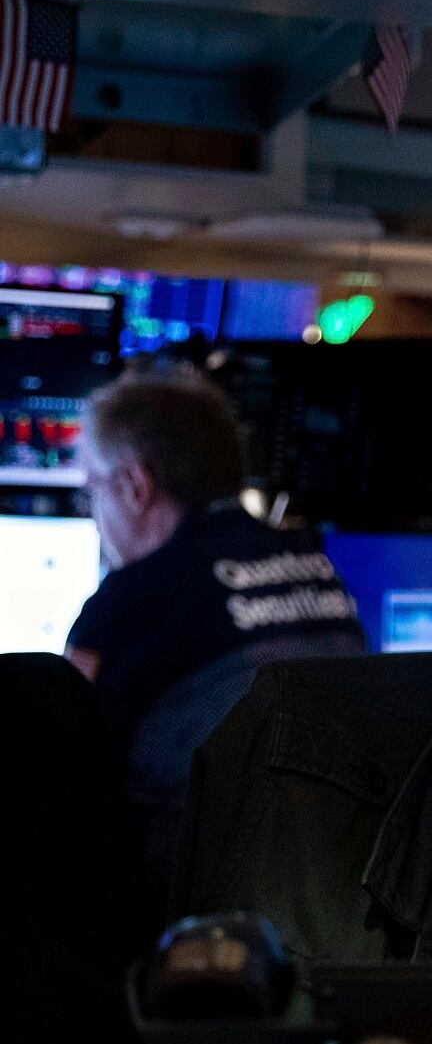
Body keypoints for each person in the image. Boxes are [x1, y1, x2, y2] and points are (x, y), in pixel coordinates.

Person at [65, 363, 366, 880]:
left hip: (186, 898)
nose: (92, 512)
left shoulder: (127, 603)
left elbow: (56, 776)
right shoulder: (317, 569)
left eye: (91, 489)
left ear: (135, 485)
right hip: (336, 883)